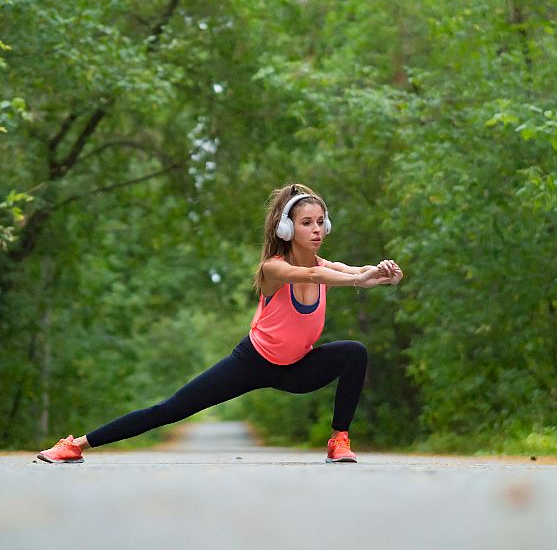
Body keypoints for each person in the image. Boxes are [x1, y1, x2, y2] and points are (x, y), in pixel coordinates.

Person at [37, 183, 403, 464]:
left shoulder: (327, 266)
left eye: (321, 222)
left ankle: (339, 440)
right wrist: (362, 276)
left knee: (354, 352)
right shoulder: (273, 268)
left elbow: (357, 274)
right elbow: (316, 274)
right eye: (306, 222)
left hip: (297, 370)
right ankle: (74, 444)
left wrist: (384, 273)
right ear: (287, 229)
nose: (316, 229)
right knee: (170, 410)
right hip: (252, 362)